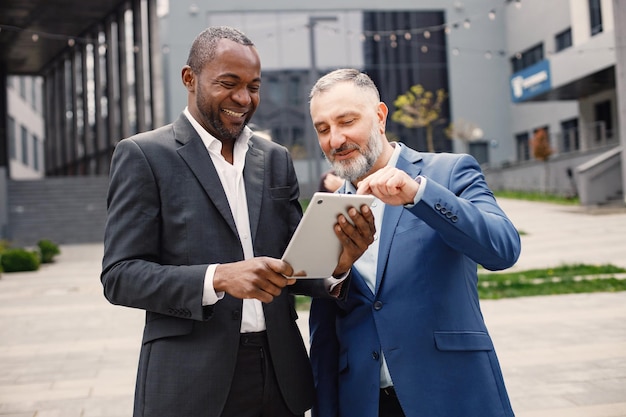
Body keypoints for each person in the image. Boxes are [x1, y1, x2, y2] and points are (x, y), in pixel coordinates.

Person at [100, 29, 374, 417]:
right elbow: (120, 276)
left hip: (281, 376)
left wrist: (339, 264)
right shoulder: (143, 156)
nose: (244, 99)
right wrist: (218, 278)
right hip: (190, 382)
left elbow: (294, 265)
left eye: (254, 86)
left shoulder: (275, 157)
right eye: (229, 84)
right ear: (189, 79)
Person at [307, 68, 522, 417]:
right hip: (363, 403)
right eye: (323, 129)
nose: (335, 139)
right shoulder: (326, 213)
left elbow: (503, 249)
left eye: (347, 121)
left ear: (379, 117)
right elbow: (325, 334)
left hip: (452, 393)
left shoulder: (449, 173)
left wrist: (418, 194)